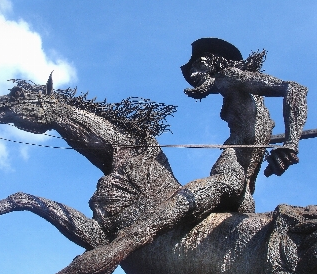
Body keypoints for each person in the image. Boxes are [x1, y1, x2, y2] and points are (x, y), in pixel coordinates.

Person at [59, 38, 308, 274]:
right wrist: (281, 141)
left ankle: (122, 245)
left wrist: (291, 144)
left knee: (186, 198)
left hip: (232, 174)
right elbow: (258, 132)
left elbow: (295, 89)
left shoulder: (228, 77)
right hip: (246, 190)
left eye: (196, 68)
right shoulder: (253, 101)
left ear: (212, 61)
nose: (192, 77)